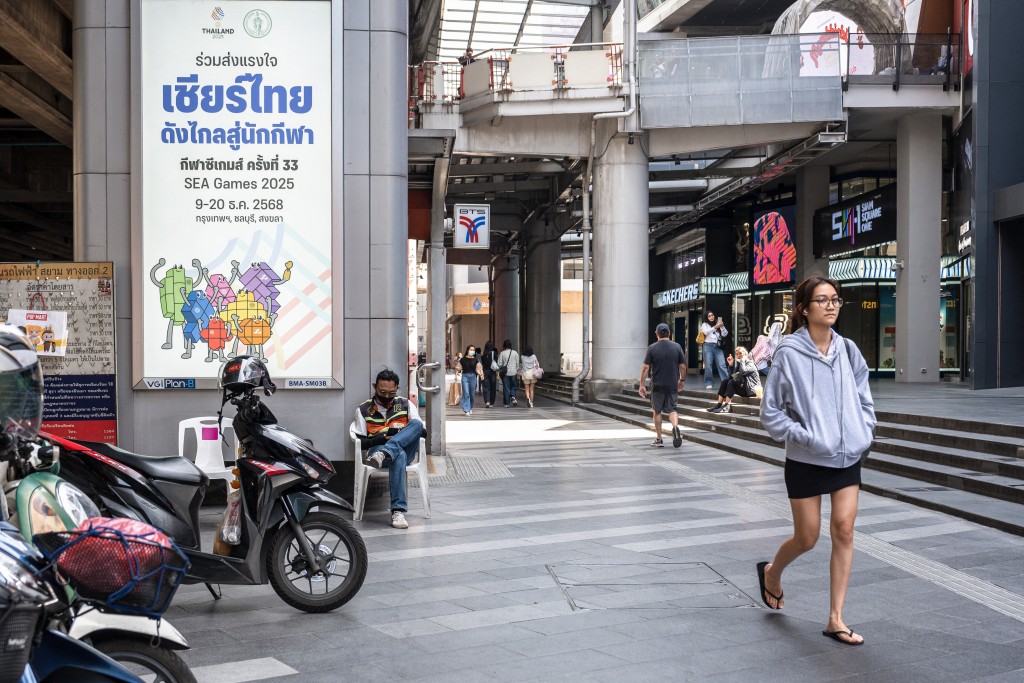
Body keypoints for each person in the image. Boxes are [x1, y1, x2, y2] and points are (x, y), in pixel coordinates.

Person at [757, 275, 875, 647]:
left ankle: (835, 619)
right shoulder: (789, 353)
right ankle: (773, 573)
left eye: (835, 299)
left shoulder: (849, 350)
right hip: (808, 458)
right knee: (807, 537)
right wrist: (804, 436)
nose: (831, 305)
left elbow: (864, 396)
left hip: (846, 456)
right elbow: (770, 412)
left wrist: (864, 429)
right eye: (822, 300)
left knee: (844, 529)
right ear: (804, 310)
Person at [349, 369, 426, 530]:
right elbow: (360, 442)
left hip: (396, 450)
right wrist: (382, 440)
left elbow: (422, 431)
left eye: (391, 393)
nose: (386, 396)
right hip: (375, 454)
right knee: (398, 456)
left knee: (417, 424)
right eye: (382, 391)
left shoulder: (405, 404)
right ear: (374, 387)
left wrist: (398, 437)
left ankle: (386, 452)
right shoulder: (363, 410)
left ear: (397, 388)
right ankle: (398, 511)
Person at [638, 322, 686, 448]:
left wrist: (642, 384)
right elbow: (682, 366)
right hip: (672, 384)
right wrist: (682, 381)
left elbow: (645, 368)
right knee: (673, 409)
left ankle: (659, 438)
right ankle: (675, 428)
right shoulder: (677, 347)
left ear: (656, 334)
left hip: (657, 385)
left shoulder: (652, 348)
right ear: (669, 333)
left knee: (657, 411)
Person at [706, 345, 761, 413]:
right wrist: (730, 365)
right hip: (745, 387)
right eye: (737, 354)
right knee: (725, 381)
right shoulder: (740, 364)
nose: (739, 355)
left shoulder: (750, 363)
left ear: (745, 354)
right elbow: (731, 377)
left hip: (751, 390)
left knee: (731, 382)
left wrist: (743, 361)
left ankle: (727, 406)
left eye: (740, 353)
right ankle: (719, 404)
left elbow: (743, 372)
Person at [700, 310, 730, 390]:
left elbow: (725, 334)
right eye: (709, 316)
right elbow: (706, 332)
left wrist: (722, 326)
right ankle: (708, 382)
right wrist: (715, 327)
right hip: (708, 346)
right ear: (707, 317)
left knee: (722, 365)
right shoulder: (704, 324)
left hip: (718, 346)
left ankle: (726, 382)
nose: (711, 317)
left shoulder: (718, 323)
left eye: (712, 315)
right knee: (708, 365)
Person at [457, 344, 483, 414]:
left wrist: (481, 374)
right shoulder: (462, 359)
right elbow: (458, 367)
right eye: (471, 350)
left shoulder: (476, 360)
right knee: (466, 393)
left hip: (473, 377)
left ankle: (470, 407)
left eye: (473, 350)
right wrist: (456, 373)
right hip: (465, 376)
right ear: (468, 350)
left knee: (471, 394)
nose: (472, 351)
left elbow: (478, 369)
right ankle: (466, 409)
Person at [497, 339, 520, 407]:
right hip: (514, 372)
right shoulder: (515, 353)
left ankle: (507, 403)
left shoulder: (502, 353)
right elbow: (517, 364)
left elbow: (499, 364)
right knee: (514, 386)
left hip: (505, 373)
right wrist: (517, 371)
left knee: (506, 388)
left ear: (504, 345)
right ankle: (513, 396)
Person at [480, 340, 499, 408]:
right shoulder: (494, 353)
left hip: (485, 371)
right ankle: (492, 402)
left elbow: (482, 363)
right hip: (492, 372)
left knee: (486, 387)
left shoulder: (483, 354)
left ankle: (487, 401)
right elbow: (497, 361)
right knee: (493, 387)